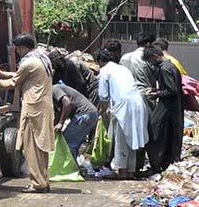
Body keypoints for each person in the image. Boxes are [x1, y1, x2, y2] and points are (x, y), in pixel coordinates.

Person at [0, 32, 54, 193]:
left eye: (18, 49)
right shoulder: (41, 58)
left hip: (34, 108)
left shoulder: (28, 62)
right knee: (41, 147)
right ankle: (43, 180)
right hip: (43, 105)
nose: (17, 52)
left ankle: (38, 183)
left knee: (32, 146)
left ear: (24, 48)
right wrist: (3, 73)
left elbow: (15, 82)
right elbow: (25, 76)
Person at [95, 48, 149, 179]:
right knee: (133, 137)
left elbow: (103, 95)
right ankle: (130, 170)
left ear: (100, 61)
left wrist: (101, 112)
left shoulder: (105, 71)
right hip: (137, 103)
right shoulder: (122, 69)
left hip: (123, 106)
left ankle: (122, 171)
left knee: (121, 139)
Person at [142, 45, 184, 174]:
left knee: (153, 134)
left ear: (155, 56)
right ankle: (165, 164)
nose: (151, 63)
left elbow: (171, 90)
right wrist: (158, 90)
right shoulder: (172, 66)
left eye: (150, 60)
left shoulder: (165, 69)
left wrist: (156, 94)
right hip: (174, 107)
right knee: (169, 136)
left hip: (167, 107)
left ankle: (156, 166)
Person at [52, 83, 98, 159]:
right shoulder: (53, 97)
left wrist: (60, 123)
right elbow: (58, 113)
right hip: (91, 114)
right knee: (74, 145)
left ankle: (69, 169)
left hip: (84, 114)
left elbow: (67, 104)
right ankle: (74, 167)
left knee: (66, 144)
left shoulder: (54, 89)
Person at [120, 32, 158, 103]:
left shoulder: (124, 58)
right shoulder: (149, 58)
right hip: (145, 97)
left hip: (126, 96)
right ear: (148, 44)